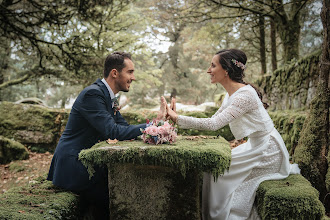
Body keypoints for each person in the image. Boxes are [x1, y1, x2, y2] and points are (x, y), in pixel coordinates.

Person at [165, 49, 300, 220]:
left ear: (226, 70)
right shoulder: (231, 95)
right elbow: (213, 119)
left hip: (267, 151)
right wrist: (178, 117)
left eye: (213, 65)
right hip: (254, 146)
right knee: (213, 167)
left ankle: (219, 216)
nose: (208, 70)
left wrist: (177, 119)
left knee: (217, 171)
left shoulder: (245, 95)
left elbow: (214, 125)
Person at [47, 52, 148, 219]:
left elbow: (123, 127)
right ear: (115, 73)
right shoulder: (92, 94)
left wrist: (153, 126)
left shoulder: (109, 96)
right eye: (130, 72)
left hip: (88, 163)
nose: (133, 77)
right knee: (118, 199)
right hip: (74, 165)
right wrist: (150, 127)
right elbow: (113, 131)